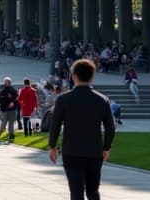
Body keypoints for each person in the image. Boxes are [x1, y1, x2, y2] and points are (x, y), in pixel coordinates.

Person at [48, 59, 116, 200]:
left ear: (74, 76)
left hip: (71, 151)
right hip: (94, 152)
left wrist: (52, 146)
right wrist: (106, 148)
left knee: (76, 192)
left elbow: (55, 126)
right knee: (93, 191)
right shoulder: (102, 100)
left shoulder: (63, 99)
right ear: (92, 76)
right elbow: (110, 128)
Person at [0, 77, 19, 143]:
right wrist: (6, 98)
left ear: (10, 83)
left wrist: (13, 102)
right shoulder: (3, 90)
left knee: (11, 123)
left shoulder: (13, 90)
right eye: (5, 82)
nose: (6, 83)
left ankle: (11, 136)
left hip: (12, 110)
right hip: (4, 109)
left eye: (7, 82)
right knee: (3, 123)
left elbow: (17, 97)